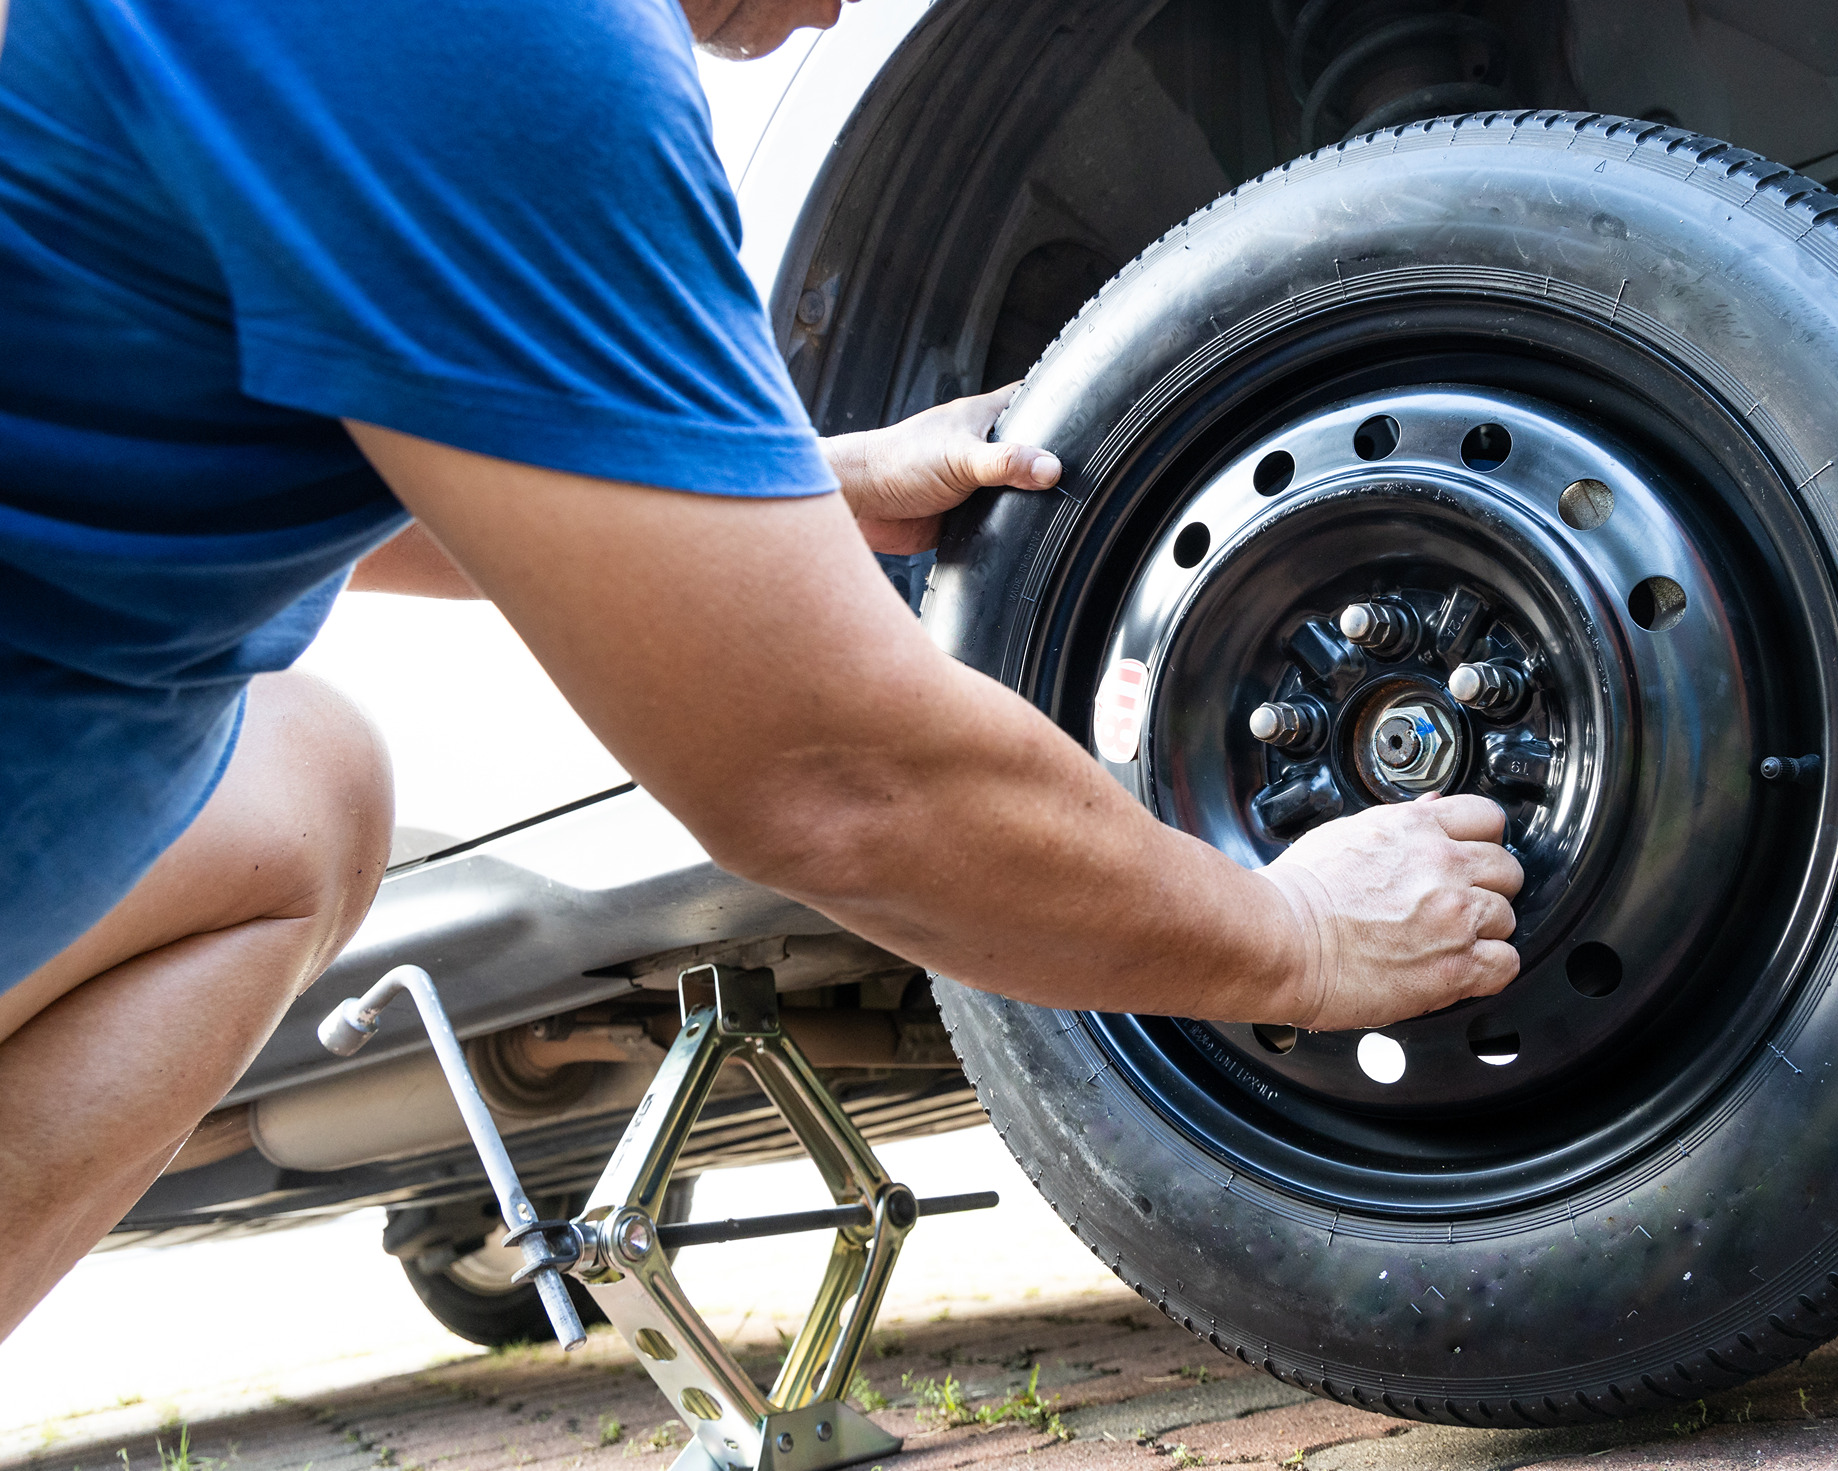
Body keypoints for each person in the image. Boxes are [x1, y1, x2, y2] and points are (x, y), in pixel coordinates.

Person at [0, 0, 1524, 1339]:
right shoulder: (485, 33)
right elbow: (834, 778)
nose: (839, 11)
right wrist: (1297, 936)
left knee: (307, 788)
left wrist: (765, 486)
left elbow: (332, 411)